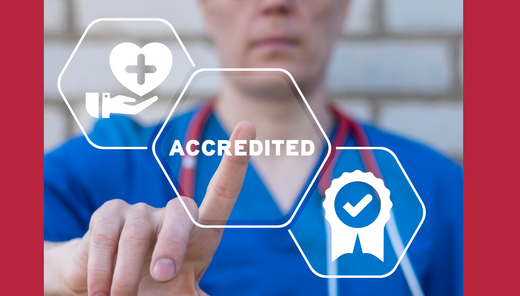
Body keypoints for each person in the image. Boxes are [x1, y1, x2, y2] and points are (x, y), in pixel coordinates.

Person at [44, 0, 463, 295]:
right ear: (207, 9)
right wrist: (67, 270)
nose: (275, 3)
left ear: (344, 8)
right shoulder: (115, 160)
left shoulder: (438, 187)